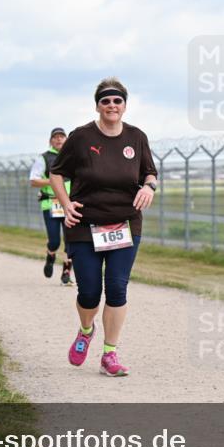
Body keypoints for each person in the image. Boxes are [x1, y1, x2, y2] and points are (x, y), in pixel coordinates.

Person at [49, 78, 157, 377]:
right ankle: (86, 330)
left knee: (117, 287)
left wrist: (150, 187)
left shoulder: (136, 137)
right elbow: (56, 173)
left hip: (126, 222)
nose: (112, 106)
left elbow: (149, 172)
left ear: (125, 105)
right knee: (89, 292)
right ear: (97, 105)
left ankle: (110, 354)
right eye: (106, 101)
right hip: (85, 223)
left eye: (117, 101)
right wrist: (66, 203)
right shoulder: (81, 137)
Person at [29, 127, 74, 285]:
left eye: (62, 137)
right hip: (51, 204)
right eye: (56, 137)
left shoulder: (73, 157)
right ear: (50, 141)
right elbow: (34, 181)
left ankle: (66, 272)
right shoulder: (44, 158)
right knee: (54, 240)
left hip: (70, 204)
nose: (59, 139)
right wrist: (53, 180)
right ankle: (50, 256)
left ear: (67, 140)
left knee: (71, 240)